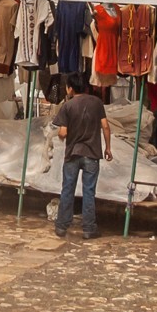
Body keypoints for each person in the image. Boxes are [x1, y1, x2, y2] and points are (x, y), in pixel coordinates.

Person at [51, 77, 113, 238]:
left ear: (70, 88)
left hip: (72, 154)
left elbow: (63, 132)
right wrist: (108, 148)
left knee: (67, 190)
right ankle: (89, 229)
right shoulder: (97, 103)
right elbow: (105, 126)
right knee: (89, 191)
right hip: (92, 154)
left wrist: (60, 135)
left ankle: (62, 227)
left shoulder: (68, 106)